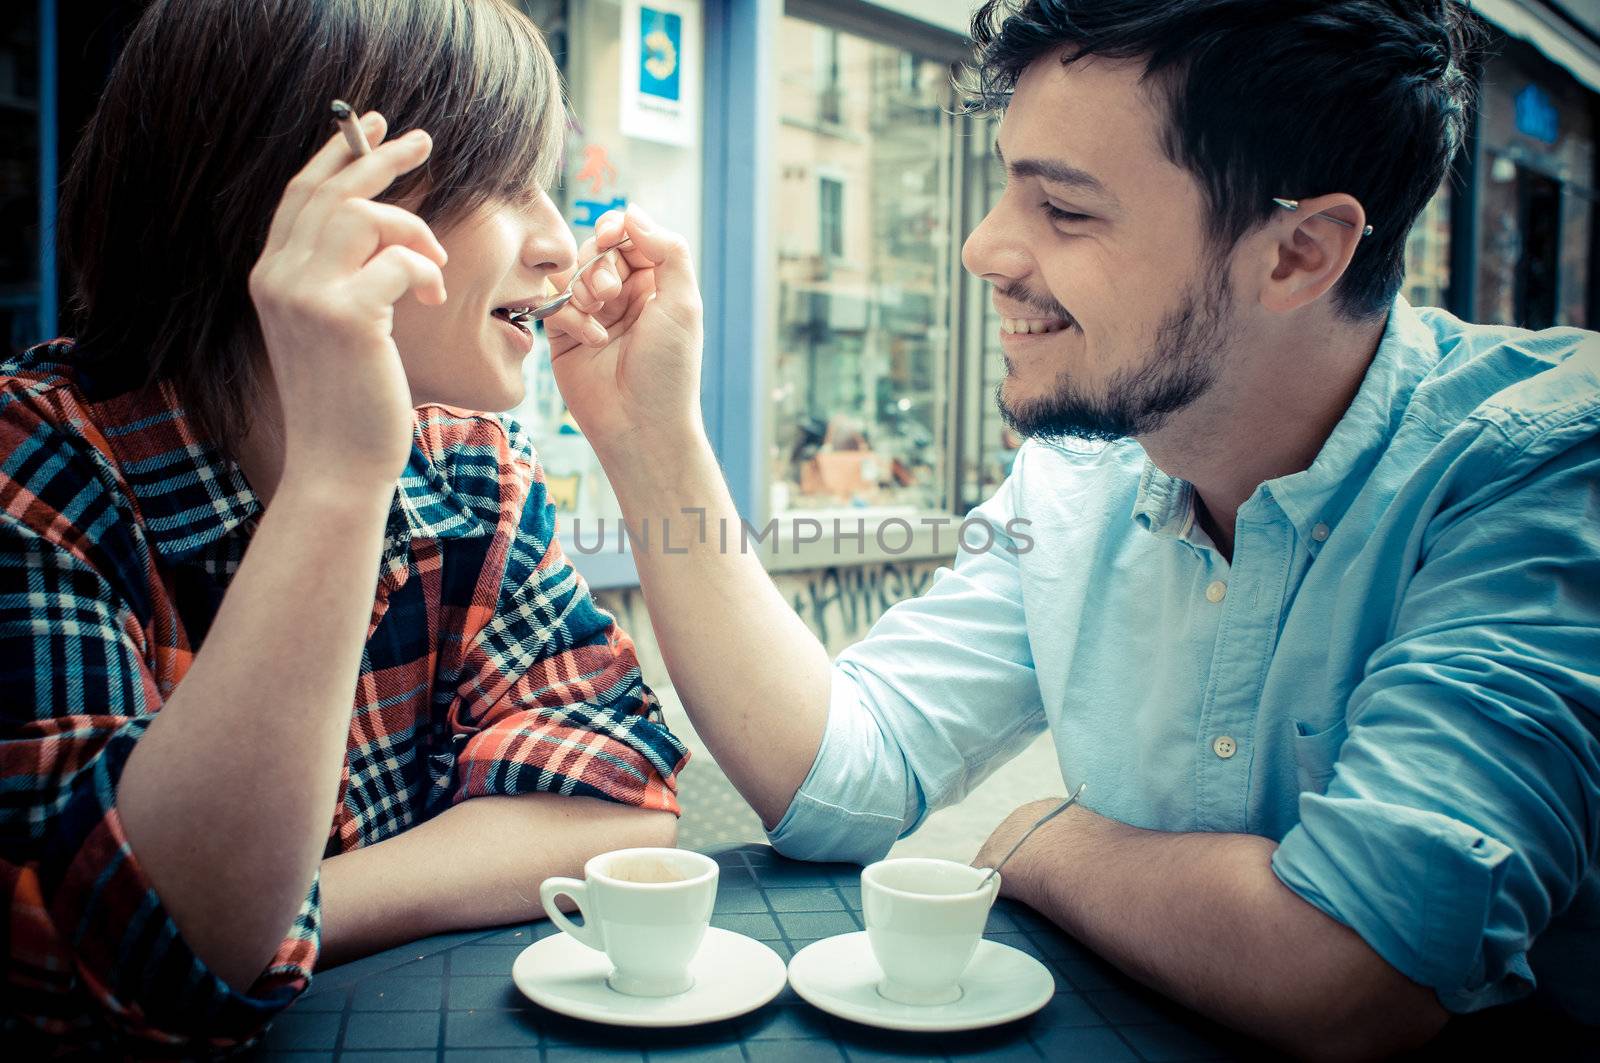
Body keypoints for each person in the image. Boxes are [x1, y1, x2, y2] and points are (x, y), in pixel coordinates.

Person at [551, 0, 1599, 1056]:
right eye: (1008, 186)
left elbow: (1357, 968)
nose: (983, 248)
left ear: (1297, 252)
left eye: (1064, 209)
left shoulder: (1540, 459)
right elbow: (837, 780)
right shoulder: (1079, 475)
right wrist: (650, 440)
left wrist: (1043, 839)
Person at [0, 0, 685, 1053]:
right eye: (507, 183)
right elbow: (164, 947)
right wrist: (335, 477)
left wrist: (297, 906)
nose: (559, 244)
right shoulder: (33, 464)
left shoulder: (469, 463)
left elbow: (615, 799)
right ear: (327, 197)